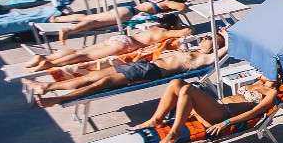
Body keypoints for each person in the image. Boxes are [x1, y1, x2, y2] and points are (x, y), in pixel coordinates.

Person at [33, 34, 224, 106]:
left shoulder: (204, 58)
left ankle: (60, 98)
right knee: (92, 75)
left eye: (210, 38)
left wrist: (227, 37)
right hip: (143, 65)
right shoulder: (191, 49)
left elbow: (225, 51)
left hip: (150, 71)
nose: (205, 38)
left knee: (103, 83)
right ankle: (48, 86)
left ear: (215, 46)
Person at [129, 68, 283, 143]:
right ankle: (156, 119)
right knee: (176, 83)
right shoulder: (255, 83)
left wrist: (225, 123)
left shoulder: (271, 93)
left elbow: (253, 113)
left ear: (277, 78)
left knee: (187, 90)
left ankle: (175, 132)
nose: (262, 72)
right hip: (216, 107)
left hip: (221, 115)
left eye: (268, 72)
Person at [24, 15, 192, 71]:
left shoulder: (153, 26)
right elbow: (187, 32)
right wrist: (182, 28)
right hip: (124, 45)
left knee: (79, 51)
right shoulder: (163, 32)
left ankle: (44, 58)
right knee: (84, 56)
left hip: (119, 39)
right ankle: (48, 63)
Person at [49, 0, 190, 45]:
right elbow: (180, 7)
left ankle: (57, 19)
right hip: (127, 13)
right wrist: (184, 6)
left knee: (89, 18)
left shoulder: (159, 5)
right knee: (94, 23)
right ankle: (68, 29)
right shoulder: (165, 3)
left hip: (126, 12)